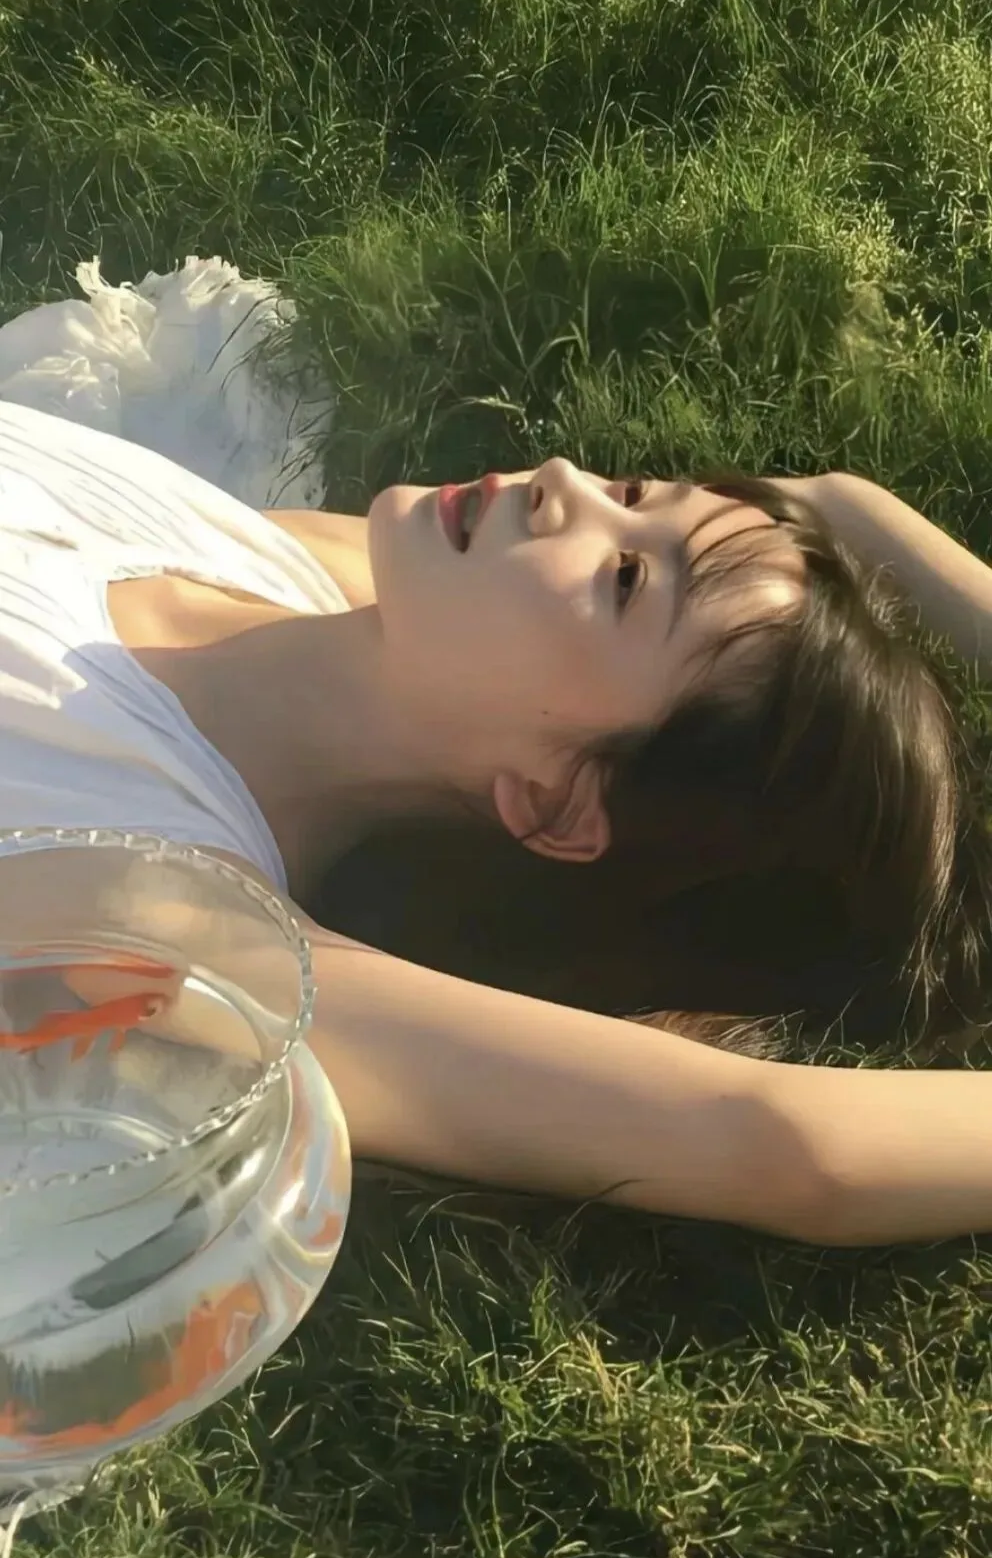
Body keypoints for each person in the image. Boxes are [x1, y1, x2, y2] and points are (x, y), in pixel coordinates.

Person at [1, 255, 992, 1251]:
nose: (561, 480)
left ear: (558, 802)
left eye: (623, 578)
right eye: (635, 490)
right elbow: (834, 504)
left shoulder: (157, 894)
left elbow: (791, 1148)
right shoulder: (304, 573)